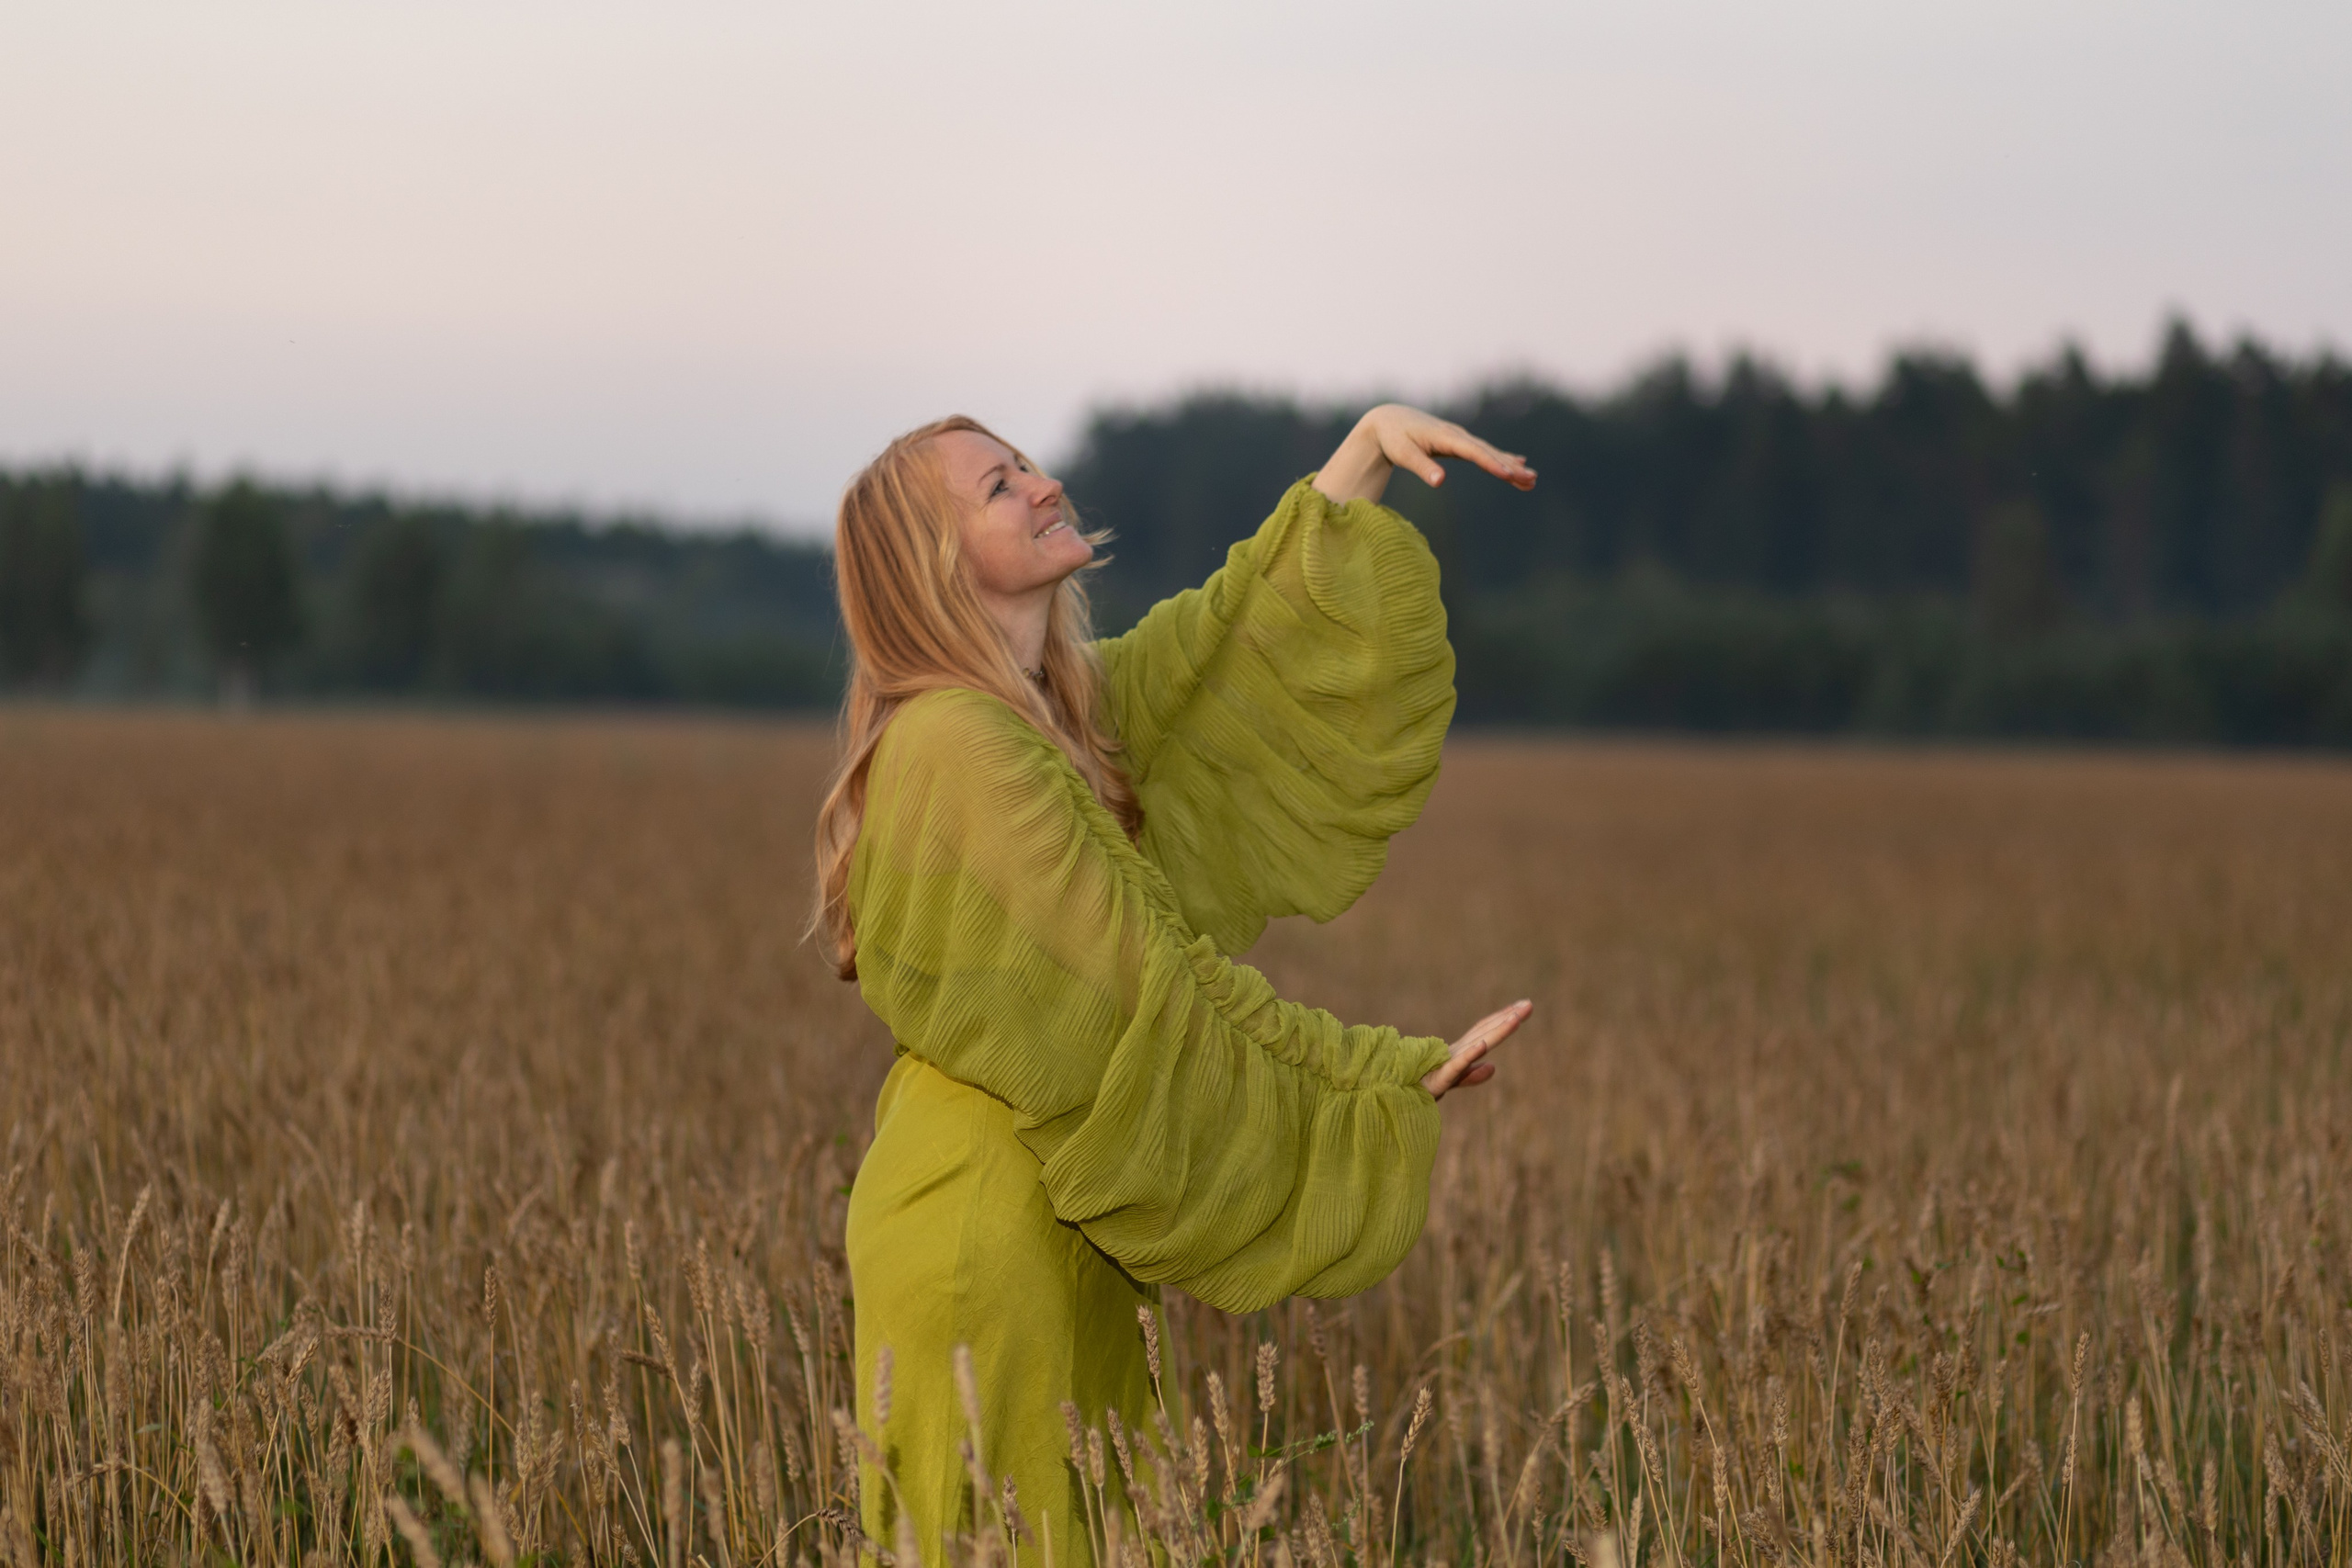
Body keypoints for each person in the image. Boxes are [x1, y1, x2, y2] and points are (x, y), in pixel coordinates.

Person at [810, 403, 1537, 1568]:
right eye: (998, 487)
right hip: (983, 1223)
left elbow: (1223, 649)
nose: (1043, 485)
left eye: (1025, 465)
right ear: (935, 564)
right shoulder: (957, 743)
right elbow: (1148, 975)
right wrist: (1377, 1071)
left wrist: (1358, 456)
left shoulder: (1056, 712)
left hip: (1075, 1215)